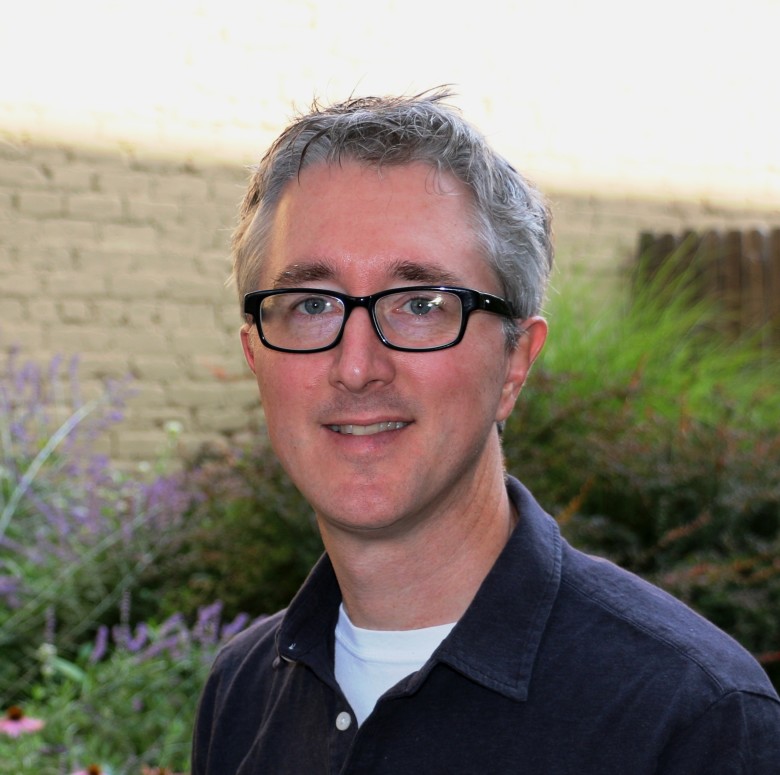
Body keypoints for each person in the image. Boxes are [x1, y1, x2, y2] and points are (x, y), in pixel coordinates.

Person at [192, 89, 780, 774]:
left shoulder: (691, 720)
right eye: (312, 304)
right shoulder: (239, 696)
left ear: (514, 364)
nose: (356, 366)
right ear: (256, 357)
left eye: (420, 304)